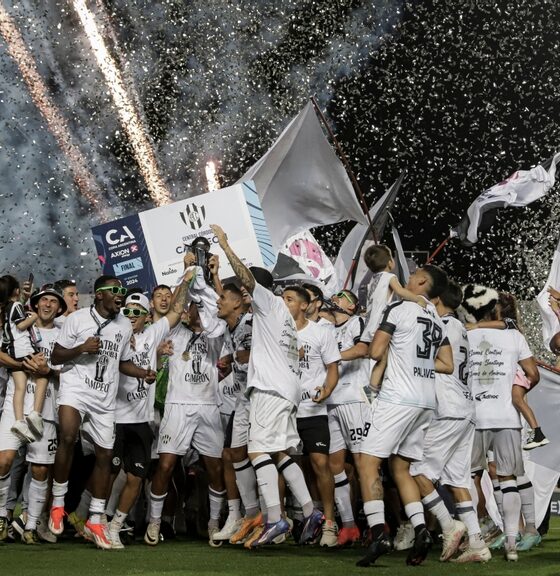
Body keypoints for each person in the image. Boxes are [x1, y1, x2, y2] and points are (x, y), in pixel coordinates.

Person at [211, 223, 324, 547]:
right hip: (286, 390)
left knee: (257, 450)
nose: (243, 293)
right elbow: (235, 296)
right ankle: (309, 510)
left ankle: (274, 518)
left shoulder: (269, 303)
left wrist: (226, 244)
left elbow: (247, 280)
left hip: (270, 390)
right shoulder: (278, 315)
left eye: (246, 290)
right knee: (280, 454)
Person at [49, 275, 155, 549]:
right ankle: (58, 504)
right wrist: (81, 348)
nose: (120, 295)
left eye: (122, 290)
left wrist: (143, 373)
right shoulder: (78, 319)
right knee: (68, 437)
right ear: (99, 295)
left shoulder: (122, 325)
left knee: (105, 455)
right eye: (115, 291)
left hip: (104, 397)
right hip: (76, 389)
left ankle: (96, 517)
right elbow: (56, 356)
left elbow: (123, 363)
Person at [357, 265, 453, 567]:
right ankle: (422, 530)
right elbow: (446, 362)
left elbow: (374, 352)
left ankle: (378, 533)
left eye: (413, 274)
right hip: (425, 400)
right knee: (402, 468)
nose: (408, 277)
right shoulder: (436, 317)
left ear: (422, 282)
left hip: (398, 397)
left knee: (368, 462)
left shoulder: (400, 308)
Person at [107, 264, 191, 548]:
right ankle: (98, 518)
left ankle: (116, 525)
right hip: (115, 417)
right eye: (126, 311)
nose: (131, 316)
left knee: (137, 476)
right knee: (108, 472)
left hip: (142, 419)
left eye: (136, 312)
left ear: (146, 316)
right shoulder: (113, 334)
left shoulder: (153, 335)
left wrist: (187, 277)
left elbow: (177, 311)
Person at [144, 264, 227, 547]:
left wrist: (211, 277)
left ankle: (214, 522)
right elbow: (175, 308)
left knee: (215, 469)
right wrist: (188, 273)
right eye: (194, 307)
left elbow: (220, 305)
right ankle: (155, 522)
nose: (198, 312)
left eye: (202, 308)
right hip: (177, 406)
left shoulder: (215, 335)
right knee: (165, 465)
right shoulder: (175, 332)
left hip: (207, 406)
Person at [410, 280, 491, 563]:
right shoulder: (458, 327)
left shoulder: (442, 325)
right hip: (465, 409)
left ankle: (448, 525)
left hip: (447, 408)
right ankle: (477, 544)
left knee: (416, 471)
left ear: (437, 300)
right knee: (458, 480)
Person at [464, 284, 539, 562]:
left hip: (473, 416)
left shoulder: (463, 334)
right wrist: (518, 393)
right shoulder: (514, 336)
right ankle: (511, 543)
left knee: (469, 477)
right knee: (509, 478)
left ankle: (476, 537)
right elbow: (532, 373)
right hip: (507, 416)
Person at [0, 286, 65, 543]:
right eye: (43, 300)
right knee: (3, 461)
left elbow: (67, 370)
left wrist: (47, 370)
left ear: (59, 308)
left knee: (40, 470)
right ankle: (2, 517)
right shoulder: (20, 327)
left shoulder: (64, 334)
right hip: (14, 406)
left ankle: (32, 524)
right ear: (35, 305)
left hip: (47, 409)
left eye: (53, 301)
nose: (48, 305)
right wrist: (23, 365)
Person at [289, 285, 340, 547]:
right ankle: (294, 521)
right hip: (285, 410)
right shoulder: (277, 332)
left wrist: (327, 389)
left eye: (288, 299)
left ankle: (329, 524)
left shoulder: (321, 333)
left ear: (303, 305)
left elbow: (333, 368)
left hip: (312, 409)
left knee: (321, 465)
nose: (283, 303)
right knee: (289, 466)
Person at [465, 292, 548, 450]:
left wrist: (477, 326)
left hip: (515, 379)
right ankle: (537, 432)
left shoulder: (509, 325)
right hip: (512, 385)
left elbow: (503, 324)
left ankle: (538, 432)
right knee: (518, 400)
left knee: (517, 399)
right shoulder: (512, 333)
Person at [321, 289, 371, 546]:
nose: (337, 298)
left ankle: (377, 523)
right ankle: (349, 526)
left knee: (364, 465)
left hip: (355, 400)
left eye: (343, 297)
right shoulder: (326, 328)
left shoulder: (358, 322)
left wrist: (333, 357)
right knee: (335, 466)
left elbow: (363, 349)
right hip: (331, 402)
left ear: (352, 307)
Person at [213, 283, 258, 543]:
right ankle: (241, 515)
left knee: (269, 456)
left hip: (261, 398)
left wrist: (244, 355)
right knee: (231, 454)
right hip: (243, 399)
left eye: (222, 298)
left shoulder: (251, 322)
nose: (218, 302)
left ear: (237, 303)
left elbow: (264, 350)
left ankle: (277, 515)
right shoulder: (231, 327)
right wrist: (231, 359)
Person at [0, 275, 48, 445]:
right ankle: (35, 413)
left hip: (12, 352)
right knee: (43, 376)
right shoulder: (16, 305)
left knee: (20, 387)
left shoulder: (4, 309)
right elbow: (21, 325)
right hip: (24, 349)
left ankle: (19, 421)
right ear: (16, 290)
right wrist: (34, 316)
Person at [361, 245, 427, 343]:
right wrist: (417, 299)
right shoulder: (389, 277)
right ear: (389, 262)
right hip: (381, 324)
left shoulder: (373, 280)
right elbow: (400, 291)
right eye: (392, 256)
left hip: (369, 324)